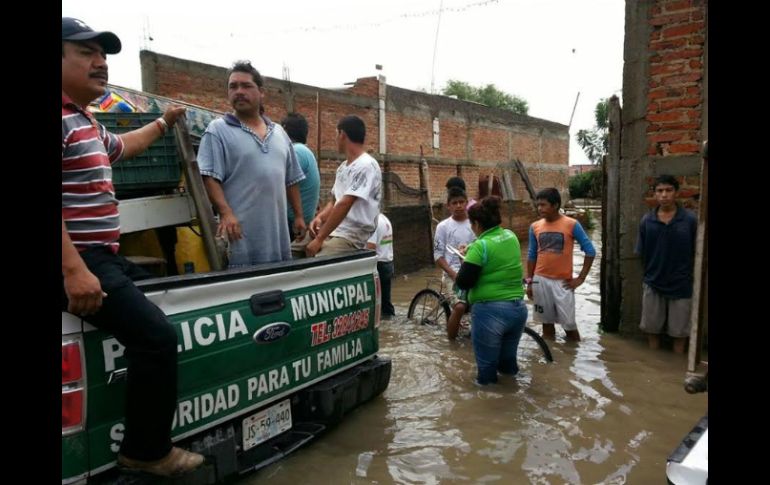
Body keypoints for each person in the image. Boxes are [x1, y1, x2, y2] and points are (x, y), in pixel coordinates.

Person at [61, 17, 204, 476]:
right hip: (79, 261)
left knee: (171, 300)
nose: (100, 63)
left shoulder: (81, 120)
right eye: (86, 53)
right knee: (157, 336)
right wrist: (73, 271)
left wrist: (164, 122)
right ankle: (145, 451)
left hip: (101, 258)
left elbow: (123, 145)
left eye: (103, 55)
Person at [198, 61, 306, 267]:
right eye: (233, 86)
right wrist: (226, 213)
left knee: (278, 284)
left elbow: (291, 179)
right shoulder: (218, 130)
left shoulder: (280, 134)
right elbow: (209, 176)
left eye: (246, 86)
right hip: (241, 237)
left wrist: (299, 216)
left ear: (261, 92)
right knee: (245, 288)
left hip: (277, 237)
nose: (239, 91)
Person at [455, 196, 528, 385]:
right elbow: (493, 246)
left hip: (490, 313)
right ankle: (512, 400)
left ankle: (491, 410)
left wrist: (465, 260)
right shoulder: (510, 236)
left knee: (486, 373)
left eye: (472, 224)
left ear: (477, 224)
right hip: (518, 310)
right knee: (508, 366)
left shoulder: (480, 247)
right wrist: (470, 249)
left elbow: (463, 282)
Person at [636, 174, 697, 353]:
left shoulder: (689, 220)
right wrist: (648, 276)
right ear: (654, 194)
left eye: (668, 190)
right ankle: (655, 365)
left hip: (682, 284)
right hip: (653, 282)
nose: (664, 195)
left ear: (676, 193)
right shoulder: (647, 221)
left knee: (680, 333)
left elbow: (697, 252)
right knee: (652, 329)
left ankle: (676, 367)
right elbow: (642, 253)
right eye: (660, 191)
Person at [306, 115, 382, 257]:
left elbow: (345, 203)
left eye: (336, 134)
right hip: (335, 230)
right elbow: (334, 202)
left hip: (352, 235)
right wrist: (320, 219)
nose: (335, 139)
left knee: (317, 261)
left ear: (342, 134)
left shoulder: (367, 165)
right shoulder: (342, 168)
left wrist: (320, 238)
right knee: (293, 250)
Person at [526, 188, 596, 342]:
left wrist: (581, 278)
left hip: (563, 283)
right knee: (547, 326)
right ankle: (552, 360)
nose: (539, 209)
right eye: (538, 205)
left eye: (543, 205)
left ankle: (573, 360)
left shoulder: (571, 224)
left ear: (555, 205)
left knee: (570, 327)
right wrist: (529, 282)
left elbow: (590, 251)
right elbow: (531, 255)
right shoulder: (535, 227)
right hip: (540, 280)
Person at [433, 187, 476, 339]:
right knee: (459, 307)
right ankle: (452, 343)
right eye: (454, 203)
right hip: (453, 272)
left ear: (466, 203)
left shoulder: (475, 224)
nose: (458, 205)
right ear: (448, 206)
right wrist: (454, 274)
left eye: (461, 202)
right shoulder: (443, 227)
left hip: (472, 271)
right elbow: (438, 256)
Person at [281, 112, 320, 239]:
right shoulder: (304, 151)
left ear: (285, 129)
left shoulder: (296, 152)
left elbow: (283, 182)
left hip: (292, 223)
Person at [366, 213, 395, 318]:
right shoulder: (384, 218)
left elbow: (370, 247)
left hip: (379, 265)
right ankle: (389, 326)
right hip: (388, 262)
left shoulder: (372, 221)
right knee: (385, 303)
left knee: (374, 303)